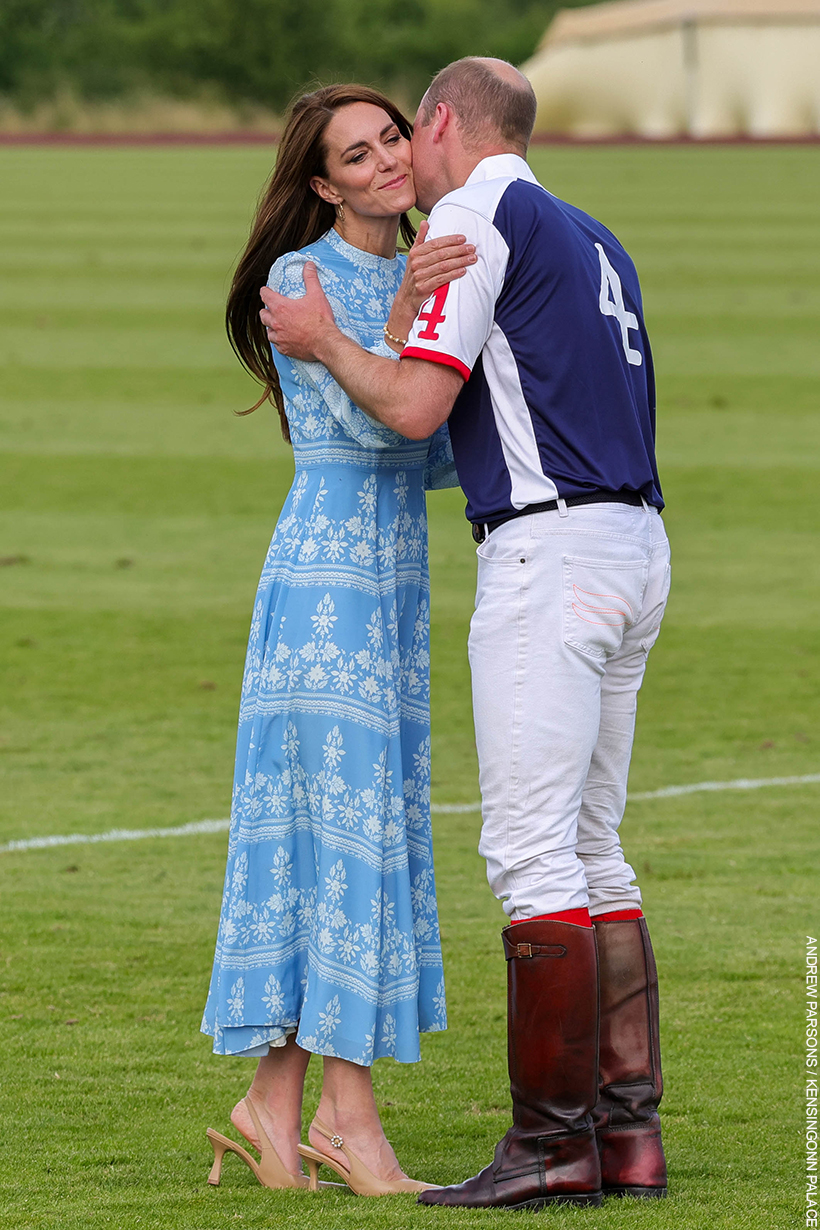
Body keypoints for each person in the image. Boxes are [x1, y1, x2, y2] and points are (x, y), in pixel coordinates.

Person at [260, 57, 671, 1209]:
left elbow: (414, 408)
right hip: (635, 541)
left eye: (405, 134)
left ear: (439, 122)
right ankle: (623, 1141)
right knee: (595, 849)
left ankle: (551, 1147)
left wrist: (332, 342)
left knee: (534, 857)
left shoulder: (474, 219)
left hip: (551, 558)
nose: (401, 159)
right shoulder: (590, 232)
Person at [201, 83, 476, 1197]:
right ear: (322, 183)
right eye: (355, 157)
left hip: (393, 574)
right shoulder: (297, 277)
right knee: (347, 835)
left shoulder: (426, 263)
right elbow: (371, 419)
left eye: (392, 139)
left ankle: (271, 1106)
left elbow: (439, 446)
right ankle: (347, 1126)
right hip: (326, 582)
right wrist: (399, 318)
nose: (385, 163)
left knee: (353, 833)